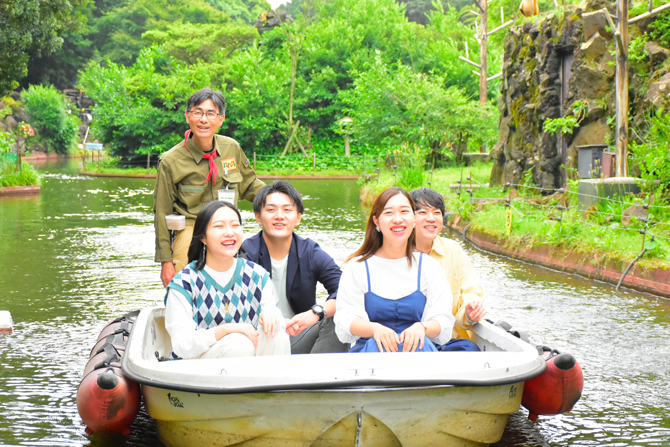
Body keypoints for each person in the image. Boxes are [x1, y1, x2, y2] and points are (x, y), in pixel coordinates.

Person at [154, 88, 265, 287]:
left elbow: (250, 186)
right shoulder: (171, 161)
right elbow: (162, 212)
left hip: (227, 224)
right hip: (191, 226)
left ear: (221, 119)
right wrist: (165, 262)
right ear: (188, 116)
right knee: (183, 281)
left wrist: (278, 198)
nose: (204, 119)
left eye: (211, 113)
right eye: (198, 112)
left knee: (241, 276)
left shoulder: (231, 148)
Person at [164, 201, 290, 359]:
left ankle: (276, 384)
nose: (230, 233)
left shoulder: (257, 275)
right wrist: (226, 330)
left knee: (277, 336)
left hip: (250, 365)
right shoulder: (184, 284)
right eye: (219, 226)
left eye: (235, 225)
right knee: (239, 344)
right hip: (199, 369)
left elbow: (275, 317)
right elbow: (182, 345)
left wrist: (272, 315)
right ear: (203, 237)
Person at [334, 187, 454, 353]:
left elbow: (443, 320)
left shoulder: (429, 267)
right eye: (389, 213)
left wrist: (422, 328)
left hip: (419, 354)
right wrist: (375, 329)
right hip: (370, 355)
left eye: (404, 211)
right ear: (376, 221)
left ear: (413, 219)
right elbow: (345, 320)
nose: (398, 219)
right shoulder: (357, 267)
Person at [241, 181, 349, 354]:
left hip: (297, 334)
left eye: (287, 210)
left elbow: (346, 291)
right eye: (270, 210)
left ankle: (318, 378)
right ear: (258, 217)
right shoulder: (245, 253)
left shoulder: (309, 252)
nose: (279, 216)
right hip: (259, 339)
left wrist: (315, 313)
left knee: (339, 317)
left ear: (298, 217)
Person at [410, 188, 485, 351]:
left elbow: (470, 290)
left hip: (448, 339)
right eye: (422, 212)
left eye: (436, 213)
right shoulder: (396, 252)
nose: (431, 218)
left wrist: (469, 311)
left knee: (471, 350)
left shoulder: (452, 250)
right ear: (410, 217)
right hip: (410, 339)